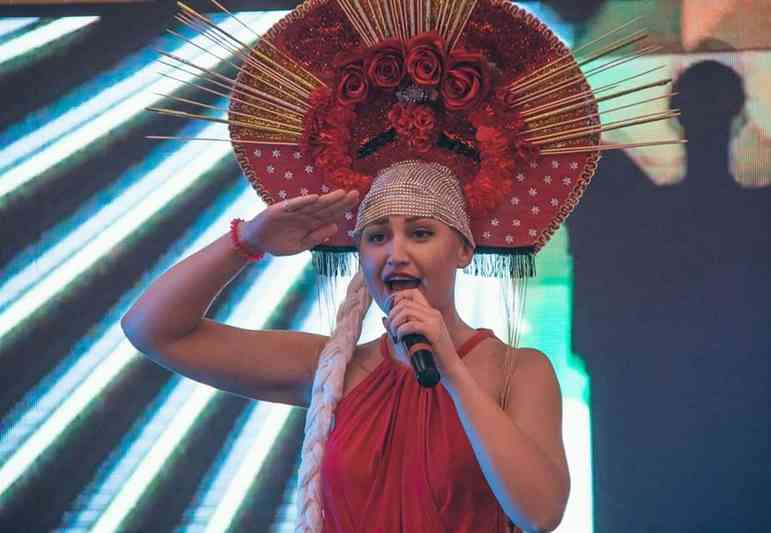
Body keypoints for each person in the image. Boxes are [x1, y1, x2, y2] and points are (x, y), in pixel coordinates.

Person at [121, 160, 570, 533]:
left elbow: (541, 514)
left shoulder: (519, 371)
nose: (396, 253)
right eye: (377, 237)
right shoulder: (334, 369)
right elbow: (152, 330)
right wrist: (249, 241)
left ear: (464, 249)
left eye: (420, 233)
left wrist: (451, 370)